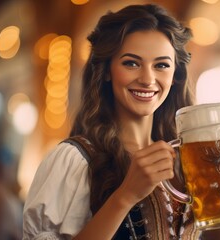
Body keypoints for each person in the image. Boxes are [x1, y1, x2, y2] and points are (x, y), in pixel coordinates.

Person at [22, 3, 200, 240]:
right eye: (131, 63)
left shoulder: (185, 158)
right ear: (106, 70)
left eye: (161, 65)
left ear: (175, 75)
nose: (148, 79)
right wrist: (125, 196)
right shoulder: (76, 160)